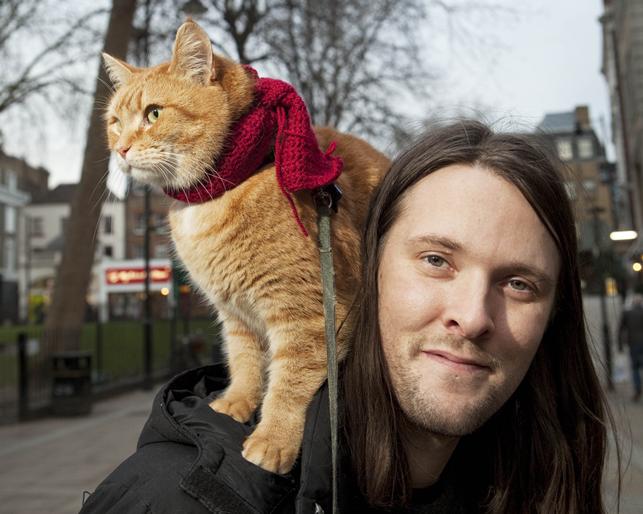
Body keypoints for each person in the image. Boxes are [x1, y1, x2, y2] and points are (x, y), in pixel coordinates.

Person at [79, 121, 617, 514]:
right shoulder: (178, 498)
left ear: (554, 315)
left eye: (519, 283)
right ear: (367, 257)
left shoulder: (547, 478)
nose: (473, 317)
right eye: (435, 260)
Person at [619, 293, 643, 401]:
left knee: (635, 368)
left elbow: (621, 329)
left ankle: (637, 390)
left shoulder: (627, 313)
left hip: (633, 344)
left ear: (633, 303)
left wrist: (620, 344)